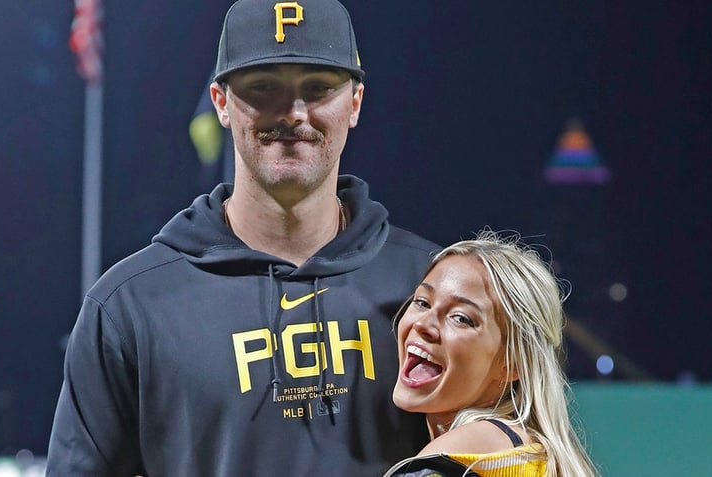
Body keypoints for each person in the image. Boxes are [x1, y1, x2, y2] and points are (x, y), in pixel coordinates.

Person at [45, 0, 438, 475]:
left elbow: (512, 437)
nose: (293, 113)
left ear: (354, 102)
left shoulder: (430, 285)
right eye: (264, 88)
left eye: (318, 88)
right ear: (221, 103)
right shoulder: (129, 306)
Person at [383, 231, 599, 477]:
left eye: (461, 318)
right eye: (422, 302)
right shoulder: (530, 456)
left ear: (512, 363)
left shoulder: (460, 455)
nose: (423, 324)